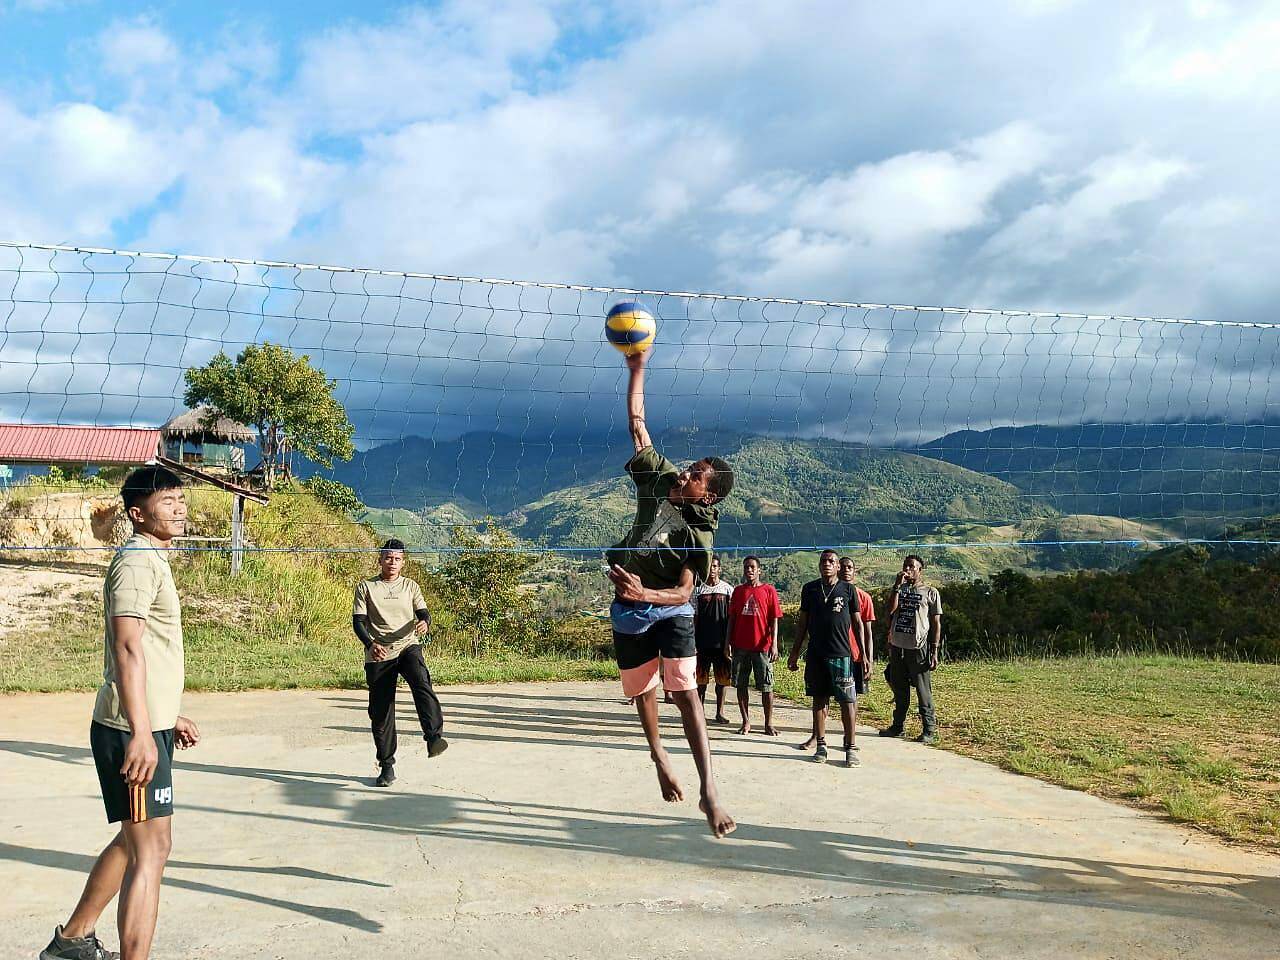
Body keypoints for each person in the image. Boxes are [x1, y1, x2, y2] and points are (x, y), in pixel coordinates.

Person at [41, 466, 201, 960]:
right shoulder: (135, 562)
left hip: (147, 723)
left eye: (180, 498)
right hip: (129, 732)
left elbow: (146, 651)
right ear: (137, 513)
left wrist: (165, 714)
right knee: (151, 850)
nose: (178, 506)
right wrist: (140, 732)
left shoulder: (153, 558)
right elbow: (126, 647)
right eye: (166, 500)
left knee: (139, 842)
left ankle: (72, 940)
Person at [605, 346, 737, 838]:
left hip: (668, 608)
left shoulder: (699, 528)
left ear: (709, 494)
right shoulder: (659, 480)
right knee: (643, 691)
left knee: (686, 695)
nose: (687, 473)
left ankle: (709, 790)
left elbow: (686, 593)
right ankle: (659, 755)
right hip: (631, 605)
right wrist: (637, 367)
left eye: (697, 476)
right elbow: (638, 423)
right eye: (691, 467)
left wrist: (646, 595)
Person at [353, 539, 447, 787]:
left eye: (397, 559)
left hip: (407, 645)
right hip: (380, 652)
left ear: (403, 562)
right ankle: (386, 766)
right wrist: (371, 644)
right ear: (380, 560)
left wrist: (425, 622)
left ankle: (433, 736)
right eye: (388, 558)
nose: (392, 563)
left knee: (421, 680)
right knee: (381, 712)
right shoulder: (366, 587)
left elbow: (424, 612)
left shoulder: (410, 586)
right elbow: (358, 622)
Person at [787, 550, 862, 768]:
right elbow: (802, 623)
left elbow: (858, 624)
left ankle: (850, 747)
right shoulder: (810, 589)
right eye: (823, 561)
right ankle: (821, 744)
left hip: (842, 654)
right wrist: (794, 652)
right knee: (819, 699)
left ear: (838, 566)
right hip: (816, 654)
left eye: (831, 561)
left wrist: (865, 655)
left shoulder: (848, 589)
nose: (827, 564)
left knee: (847, 701)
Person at [880, 555, 942, 744]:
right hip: (898, 646)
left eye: (912, 566)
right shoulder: (900, 590)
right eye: (905, 566)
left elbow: (936, 623)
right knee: (900, 690)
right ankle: (898, 727)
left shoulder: (930, 592)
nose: (907, 569)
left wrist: (934, 650)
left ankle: (929, 730)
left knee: (923, 691)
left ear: (920, 570)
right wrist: (897, 587)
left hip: (918, 648)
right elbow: (890, 611)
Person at [725, 555, 783, 736]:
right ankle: (746, 721)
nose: (749, 570)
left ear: (759, 570)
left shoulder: (769, 590)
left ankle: (768, 723)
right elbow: (732, 618)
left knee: (766, 686)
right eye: (746, 567)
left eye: (752, 567)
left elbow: (774, 619)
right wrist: (727, 642)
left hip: (762, 647)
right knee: (741, 685)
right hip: (740, 646)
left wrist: (773, 644)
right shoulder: (738, 591)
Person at [692, 556, 733, 724]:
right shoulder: (698, 591)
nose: (712, 569)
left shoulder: (728, 590)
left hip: (722, 643)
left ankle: (719, 712)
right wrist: (693, 641)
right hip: (702, 643)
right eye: (710, 566)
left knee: (722, 681)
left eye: (715, 566)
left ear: (720, 569)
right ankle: (699, 712)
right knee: (701, 681)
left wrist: (729, 642)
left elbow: (732, 617)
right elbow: (694, 617)